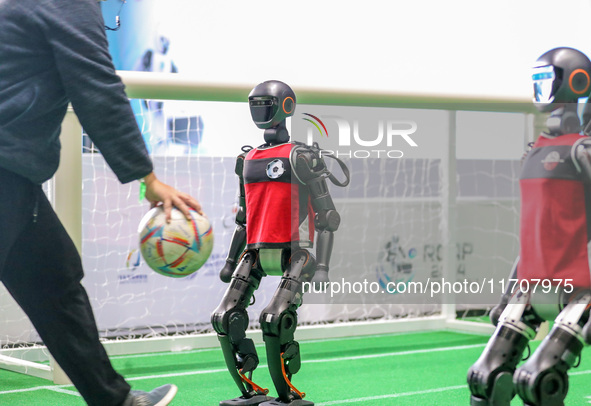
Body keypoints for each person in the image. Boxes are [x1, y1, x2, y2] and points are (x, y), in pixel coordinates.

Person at [0, 0, 201, 405]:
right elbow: (96, 86)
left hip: (15, 178)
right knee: (55, 283)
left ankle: (116, 400)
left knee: (55, 280)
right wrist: (148, 180)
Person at [211, 80, 349, 406]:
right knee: (224, 315)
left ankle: (287, 396)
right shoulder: (247, 159)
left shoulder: (301, 156)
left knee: (275, 318)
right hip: (255, 249)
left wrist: (324, 266)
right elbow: (244, 220)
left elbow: (327, 218)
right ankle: (249, 389)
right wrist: (232, 261)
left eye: (265, 103)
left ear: (286, 106)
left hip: (295, 251)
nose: (259, 109)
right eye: (254, 103)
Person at [467, 47, 591, 406]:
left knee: (539, 381)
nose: (540, 88)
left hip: (579, 289)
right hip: (534, 282)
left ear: (575, 81)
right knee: (485, 377)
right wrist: (508, 294)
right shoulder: (536, 150)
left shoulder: (583, 152)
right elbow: (535, 236)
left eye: (546, 79)